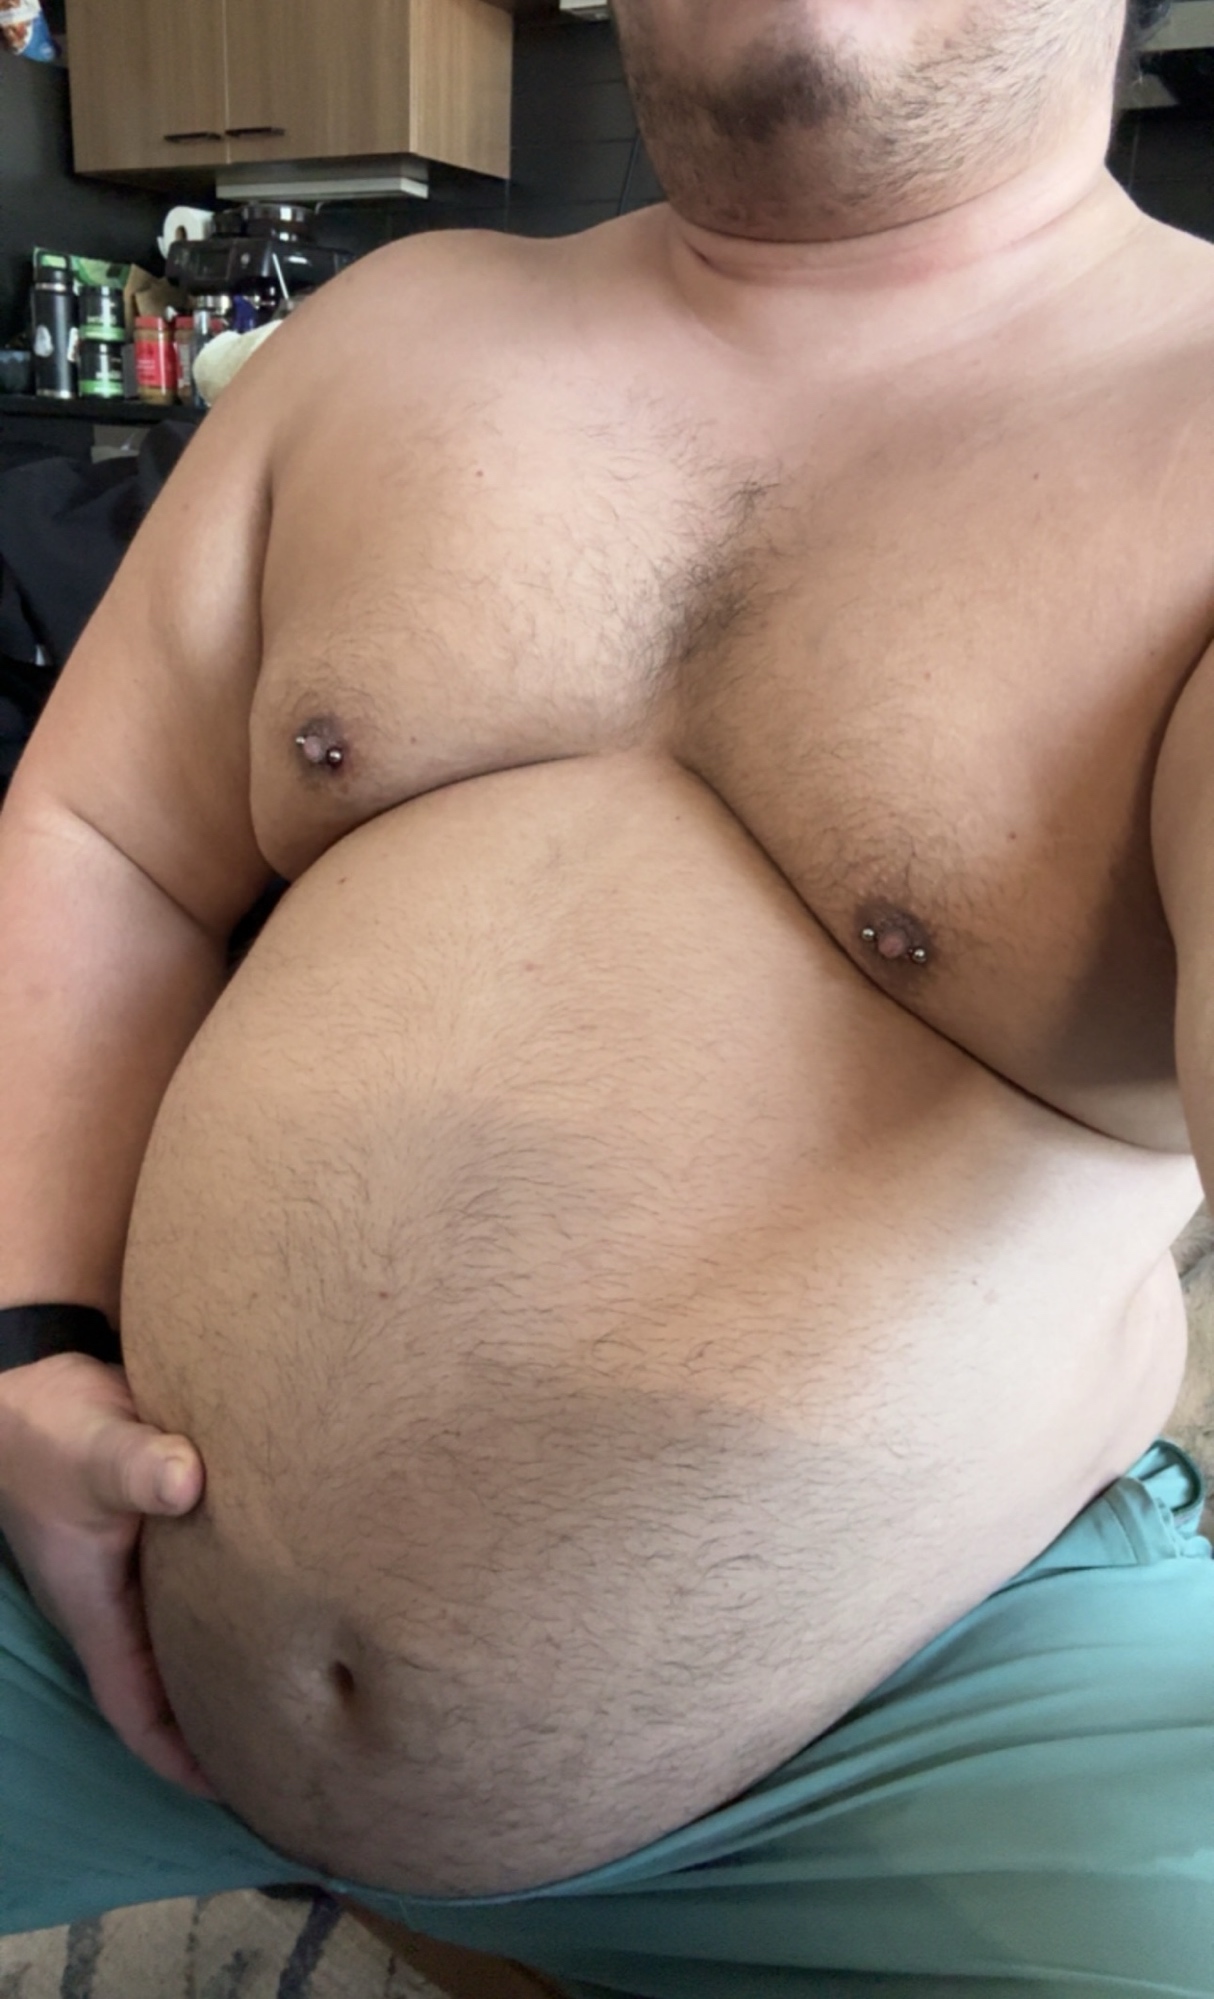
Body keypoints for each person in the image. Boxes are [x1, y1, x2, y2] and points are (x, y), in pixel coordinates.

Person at [2, 0, 1213, 1989]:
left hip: (935, 1704)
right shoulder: (388, 338)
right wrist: (27, 1338)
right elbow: (105, 841)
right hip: (97, 1560)